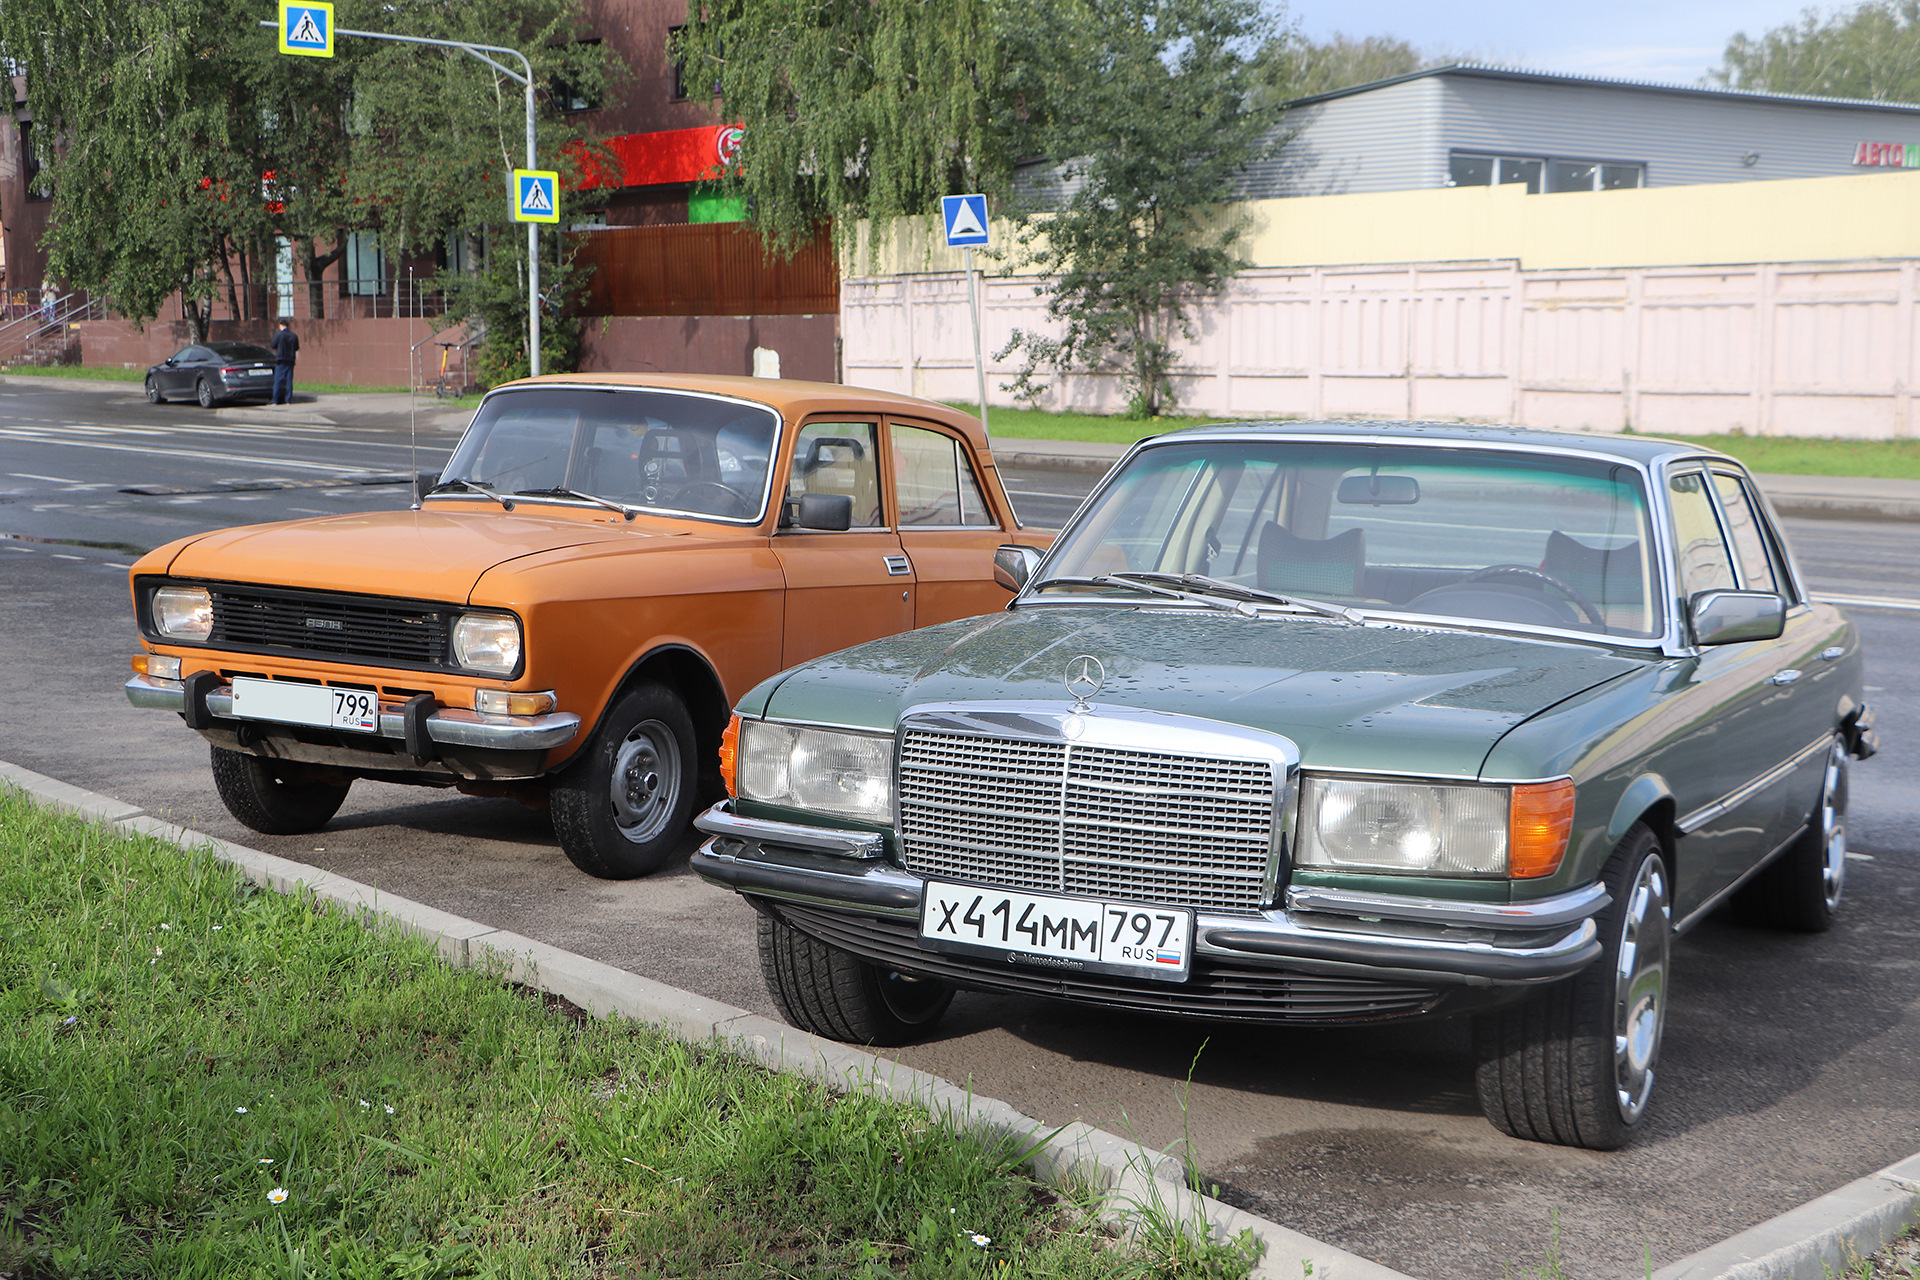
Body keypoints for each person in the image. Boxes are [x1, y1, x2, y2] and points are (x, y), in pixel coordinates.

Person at [270, 319, 300, 404]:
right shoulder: (294, 335)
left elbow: (273, 345)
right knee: (289, 381)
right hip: (290, 361)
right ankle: (288, 400)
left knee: (278, 381)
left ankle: (275, 400)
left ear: (281, 325)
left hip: (281, 360)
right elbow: (296, 347)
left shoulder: (279, 335)